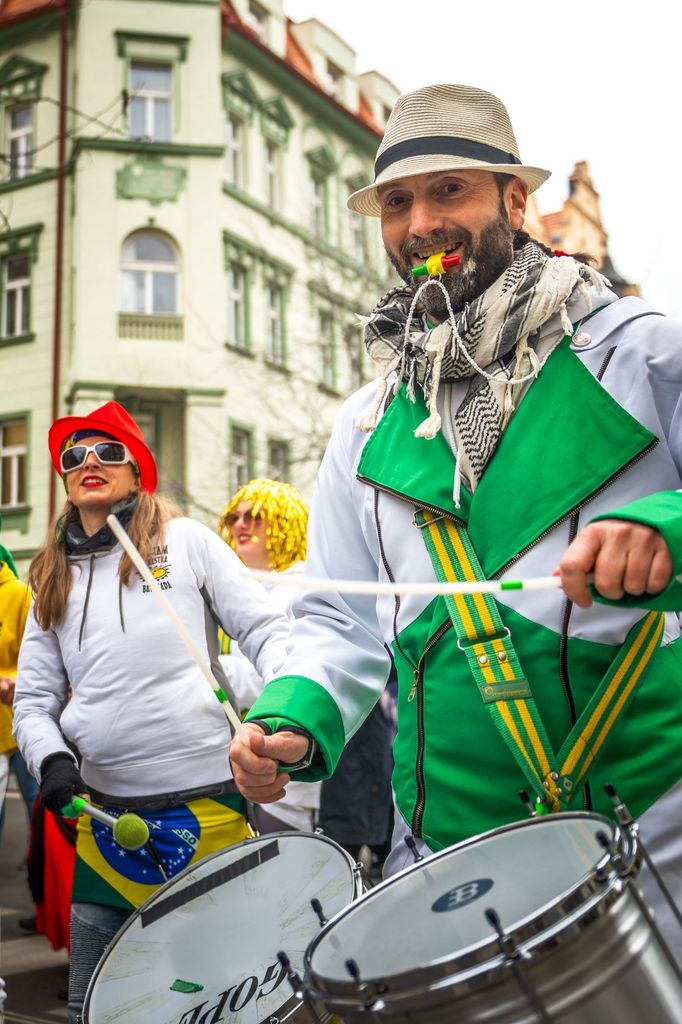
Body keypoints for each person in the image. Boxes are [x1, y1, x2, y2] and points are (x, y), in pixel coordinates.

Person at [229, 84, 682, 953]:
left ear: (516, 202)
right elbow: (338, 620)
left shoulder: (640, 353)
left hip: (654, 850)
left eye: (449, 191)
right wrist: (292, 715)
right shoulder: (366, 423)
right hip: (448, 866)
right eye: (398, 202)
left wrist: (665, 525)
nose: (419, 223)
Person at [13, 400, 290, 1023]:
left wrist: (282, 716)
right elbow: (33, 702)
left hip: (210, 808)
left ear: (137, 469)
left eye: (108, 450)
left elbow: (270, 632)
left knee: (229, 994)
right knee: (101, 1004)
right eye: (73, 454)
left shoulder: (187, 541)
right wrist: (52, 760)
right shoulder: (50, 577)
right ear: (63, 477)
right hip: (104, 823)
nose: (90, 461)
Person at [218, 478, 321, 832]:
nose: (240, 525)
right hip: (254, 773)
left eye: (255, 516)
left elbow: (277, 674)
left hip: (294, 788)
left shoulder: (301, 588)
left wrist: (199, 672)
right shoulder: (253, 590)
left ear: (286, 522)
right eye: (234, 517)